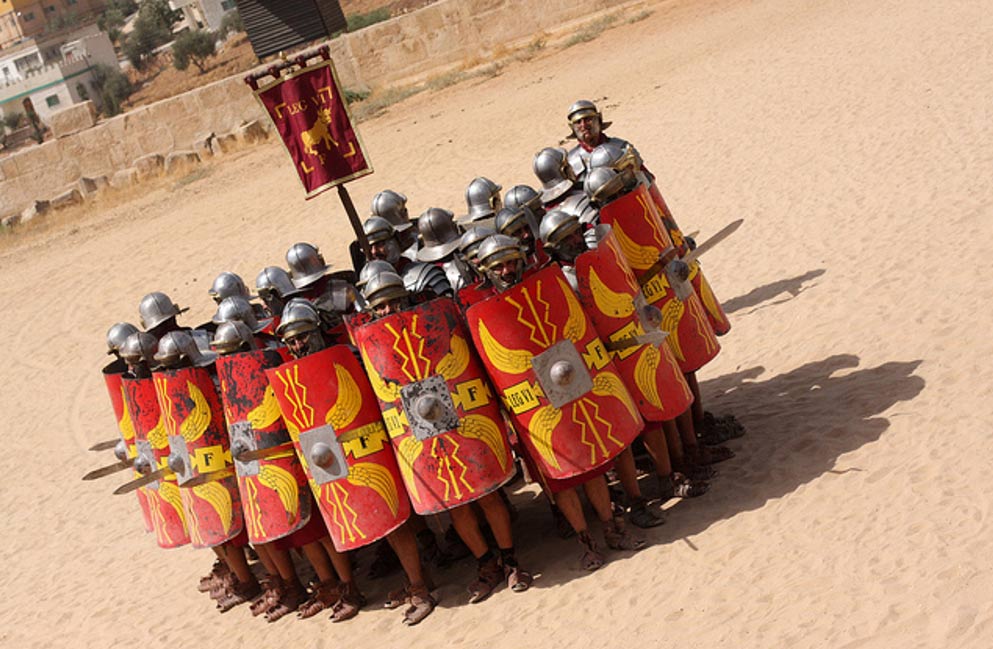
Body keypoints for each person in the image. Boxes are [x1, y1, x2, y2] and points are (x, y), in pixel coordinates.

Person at [469, 234, 646, 569]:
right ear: (486, 269)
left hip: (570, 387)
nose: (507, 270)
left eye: (510, 262)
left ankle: (612, 528)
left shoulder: (545, 285)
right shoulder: (482, 310)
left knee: (591, 466)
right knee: (562, 481)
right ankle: (586, 541)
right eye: (499, 266)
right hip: (532, 404)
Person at [357, 272, 533, 601]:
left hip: (457, 413)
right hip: (419, 430)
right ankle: (486, 564)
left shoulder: (428, 323)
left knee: (486, 495)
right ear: (372, 310)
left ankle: (510, 561)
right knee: (457, 505)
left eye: (394, 299)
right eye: (381, 305)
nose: (389, 308)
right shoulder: (372, 344)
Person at [275, 300, 436, 626]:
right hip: (338, 457)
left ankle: (421, 587)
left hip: (374, 445)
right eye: (291, 341)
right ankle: (414, 580)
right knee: (376, 521)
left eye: (303, 336)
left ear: (317, 329)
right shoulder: (294, 377)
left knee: (395, 520)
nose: (297, 345)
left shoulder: (350, 356)